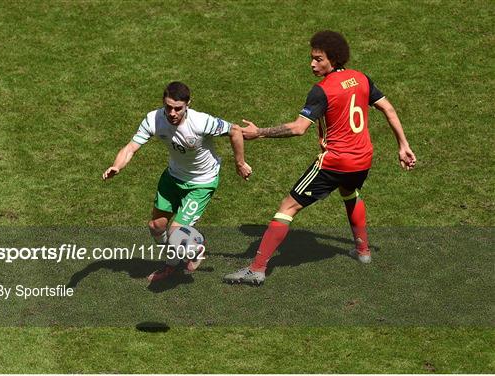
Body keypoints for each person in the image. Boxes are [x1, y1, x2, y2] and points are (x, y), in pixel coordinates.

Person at [224, 30, 416, 285]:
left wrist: (259, 132)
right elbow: (388, 108)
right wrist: (403, 145)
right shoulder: (361, 78)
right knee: (349, 193)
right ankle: (363, 252)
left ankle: (256, 269)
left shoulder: (322, 90)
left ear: (333, 59)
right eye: (312, 58)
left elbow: (298, 128)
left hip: (335, 161)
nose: (312, 64)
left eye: (318, 59)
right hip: (363, 160)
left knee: (287, 208)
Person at [103, 81, 252, 282]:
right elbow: (130, 147)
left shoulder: (201, 122)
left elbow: (235, 130)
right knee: (156, 227)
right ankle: (185, 249)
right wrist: (117, 166)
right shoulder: (154, 119)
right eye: (168, 107)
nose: (172, 113)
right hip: (173, 177)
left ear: (188, 104)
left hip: (201, 182)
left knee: (175, 235)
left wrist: (240, 163)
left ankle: (175, 262)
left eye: (178, 109)